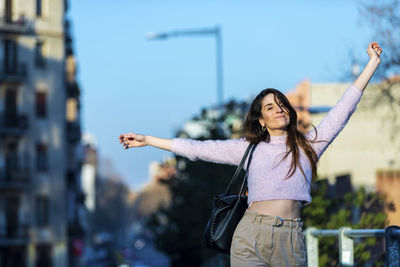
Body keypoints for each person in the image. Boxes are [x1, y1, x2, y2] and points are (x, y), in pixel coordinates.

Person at [118, 42, 382, 266]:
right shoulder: (248, 148)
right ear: (262, 121)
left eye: (281, 105)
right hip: (250, 234)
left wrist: (371, 63)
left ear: (289, 113)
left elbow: (344, 108)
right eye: (270, 107)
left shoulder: (309, 145)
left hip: (290, 240)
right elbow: (197, 149)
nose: (278, 109)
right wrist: (148, 140)